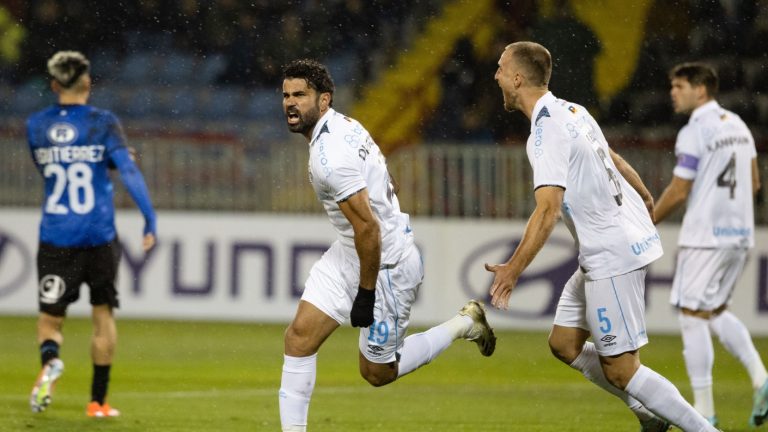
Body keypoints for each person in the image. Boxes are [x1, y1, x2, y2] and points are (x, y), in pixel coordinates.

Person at [485, 41, 718, 432]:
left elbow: (548, 210)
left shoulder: (545, 133)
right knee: (564, 344)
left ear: (518, 78)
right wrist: (643, 192)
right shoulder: (573, 110)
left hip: (611, 252)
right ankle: (649, 413)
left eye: (500, 68)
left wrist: (513, 270)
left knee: (622, 370)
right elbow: (610, 155)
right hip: (614, 242)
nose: (495, 75)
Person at [277, 59, 496, 432]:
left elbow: (370, 230)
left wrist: (365, 295)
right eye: (285, 95)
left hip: (386, 266)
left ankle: (463, 324)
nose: (290, 103)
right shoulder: (346, 125)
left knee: (377, 373)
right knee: (299, 338)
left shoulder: (329, 157)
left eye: (300, 94)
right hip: (350, 252)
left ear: (324, 100)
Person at [27, 51, 157, 418]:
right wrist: (149, 219)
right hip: (98, 236)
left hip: (56, 237)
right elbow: (129, 173)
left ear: (54, 85)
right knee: (103, 316)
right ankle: (98, 402)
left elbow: (46, 167)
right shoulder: (103, 122)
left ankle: (50, 360)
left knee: (50, 320)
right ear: (88, 83)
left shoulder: (36, 125)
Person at [654, 62, 768, 428]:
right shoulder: (738, 125)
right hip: (739, 235)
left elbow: (679, 189)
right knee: (714, 310)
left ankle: (704, 410)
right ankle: (761, 379)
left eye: (679, 85)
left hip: (704, 238)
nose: (673, 92)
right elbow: (753, 183)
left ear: (700, 90)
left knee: (691, 316)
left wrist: (647, 220)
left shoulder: (694, 130)